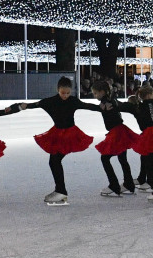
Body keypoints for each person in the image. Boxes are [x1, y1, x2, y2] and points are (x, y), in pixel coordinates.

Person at [18, 75, 100, 205]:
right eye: (63, 92)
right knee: (54, 161)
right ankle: (60, 190)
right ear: (57, 90)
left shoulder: (73, 101)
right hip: (57, 134)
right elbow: (36, 104)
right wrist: (24, 106)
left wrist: (102, 107)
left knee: (54, 161)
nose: (65, 95)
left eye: (68, 93)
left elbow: (88, 105)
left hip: (70, 135)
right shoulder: (51, 101)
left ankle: (61, 191)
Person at [90, 79, 137, 197]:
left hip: (117, 132)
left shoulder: (107, 102)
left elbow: (112, 107)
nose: (95, 96)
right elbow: (120, 106)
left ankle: (114, 185)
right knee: (122, 159)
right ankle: (129, 184)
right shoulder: (112, 100)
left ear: (102, 92)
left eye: (96, 93)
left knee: (105, 158)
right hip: (120, 130)